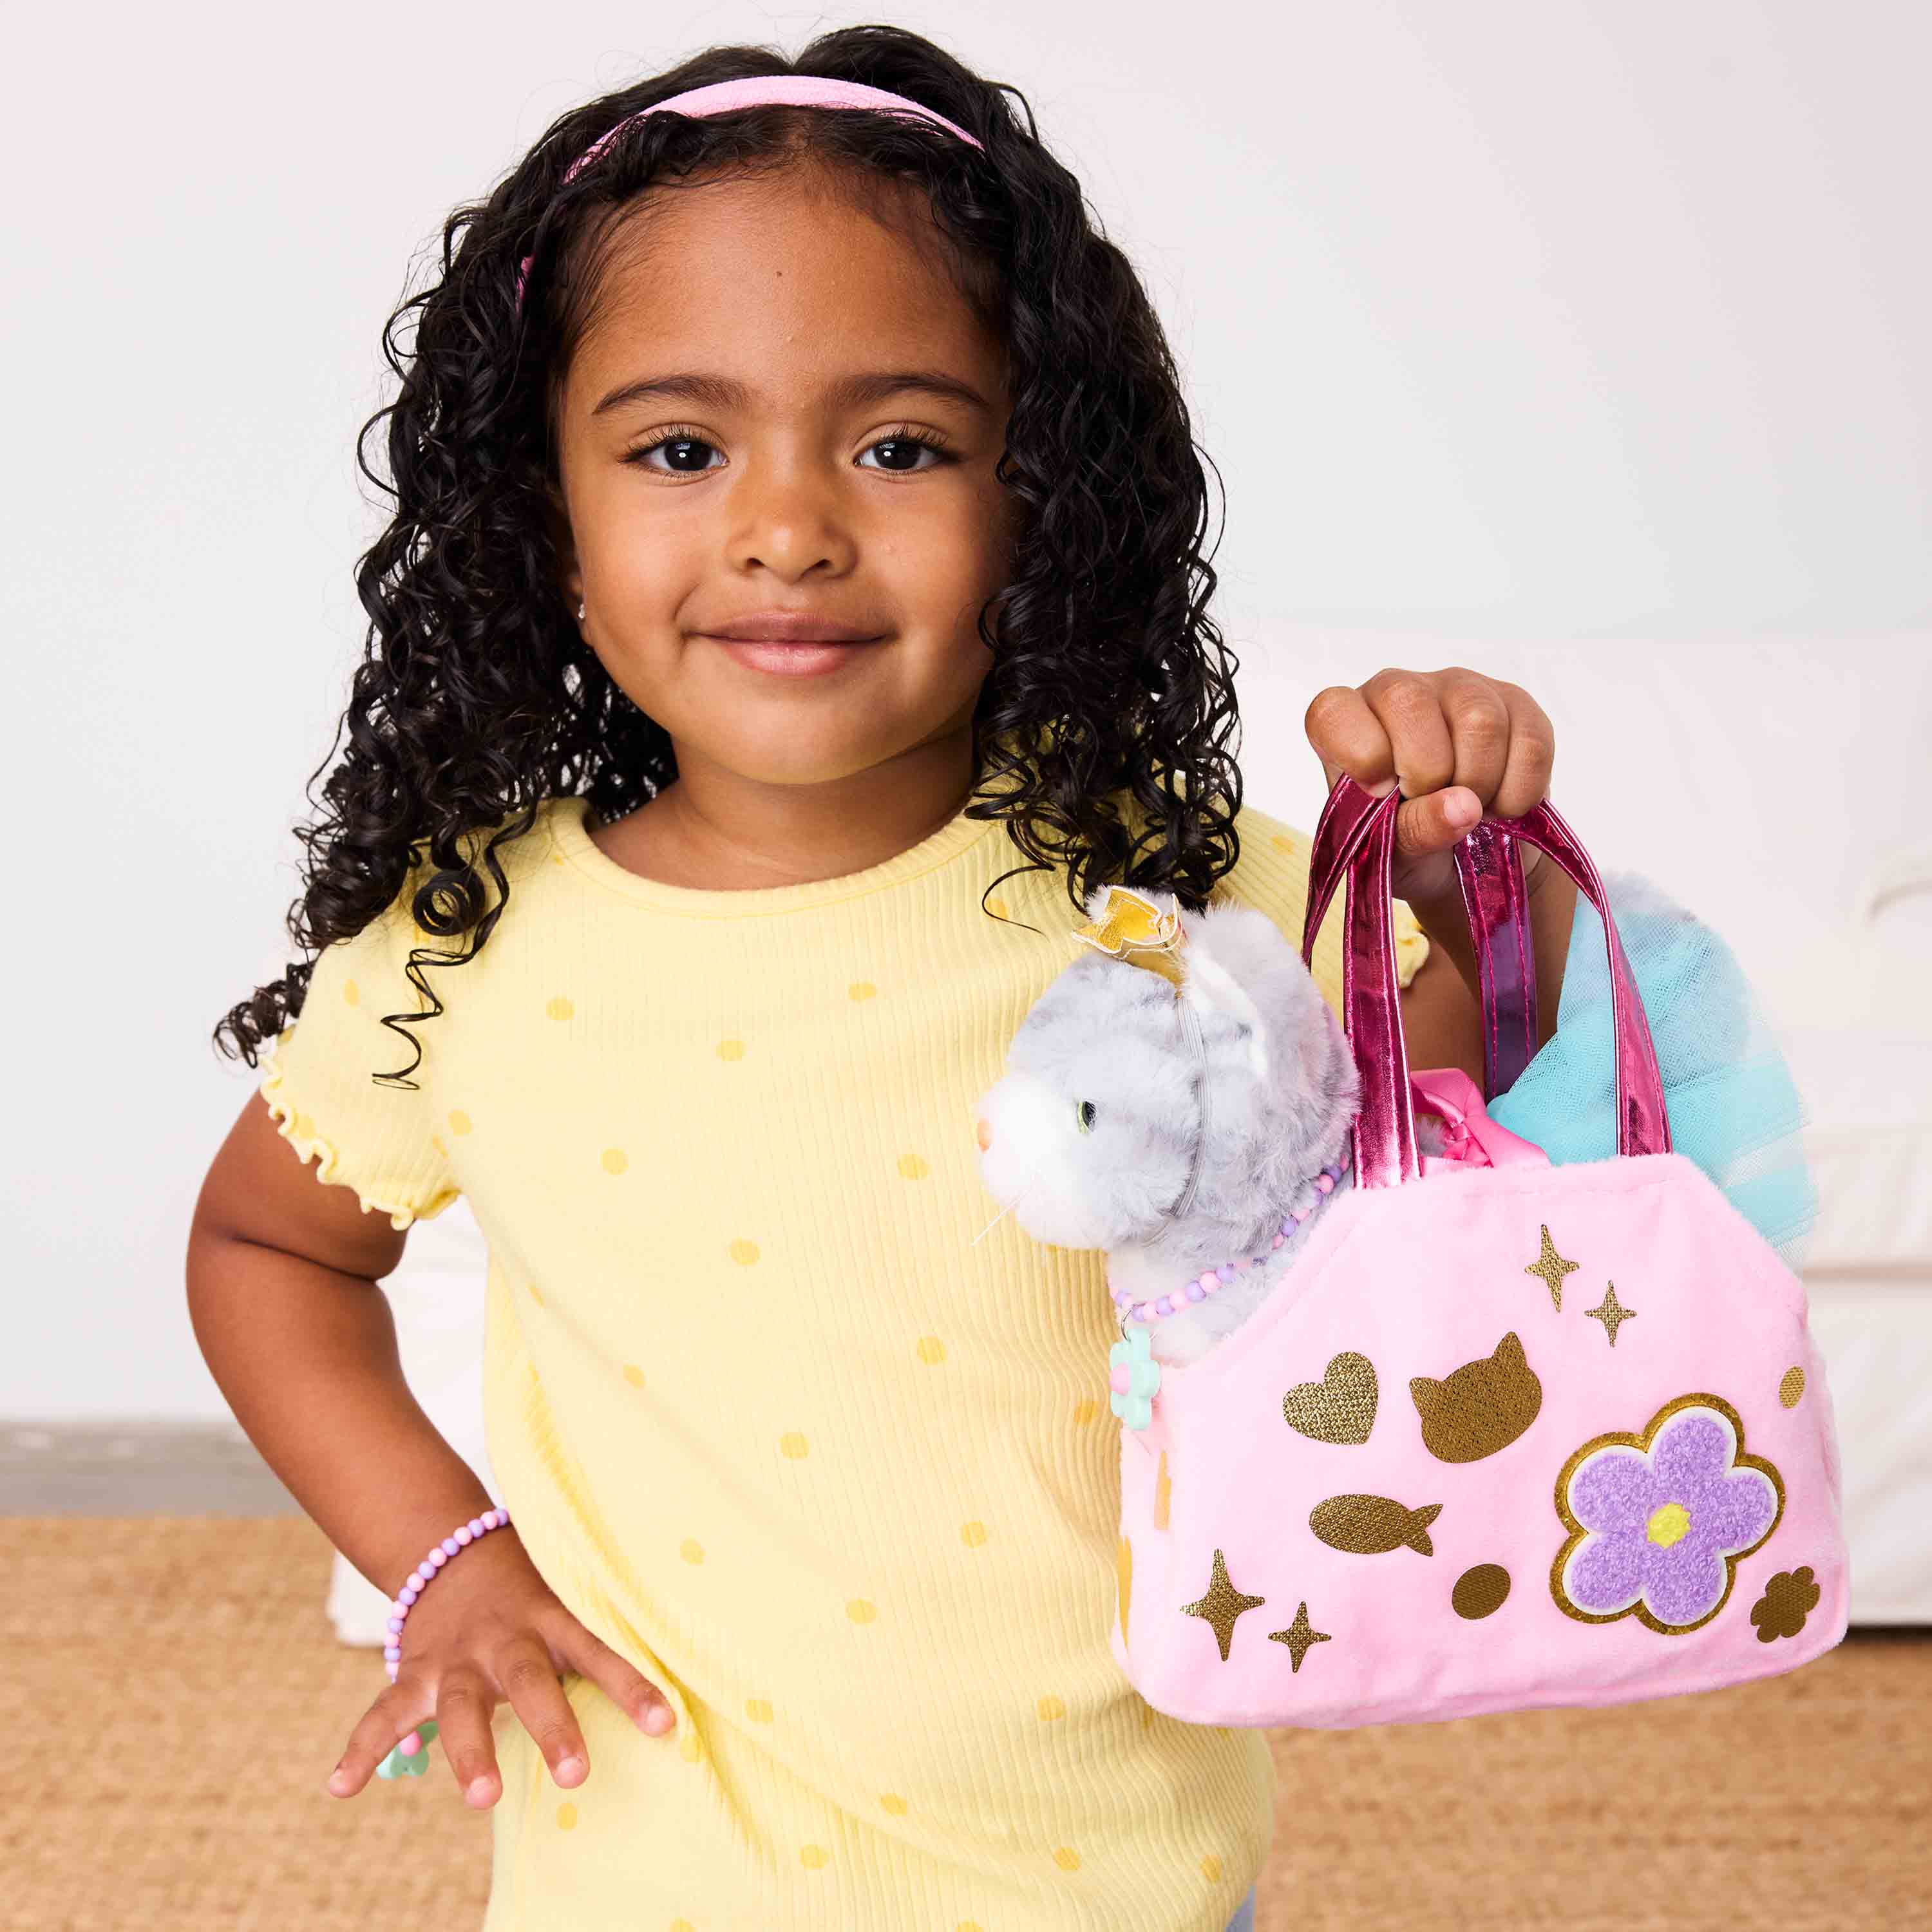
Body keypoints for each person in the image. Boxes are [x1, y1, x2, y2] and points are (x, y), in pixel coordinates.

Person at [185, 26, 1803, 1932]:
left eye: (902, 446)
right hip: (647, 1885)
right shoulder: (464, 944)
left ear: (1042, 497)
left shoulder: (1164, 885)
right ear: (544, 514)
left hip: (1126, 1881)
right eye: (682, 448)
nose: (790, 530)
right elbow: (272, 1247)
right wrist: (444, 1558)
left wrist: (1449, 886)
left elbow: (1430, 1140)